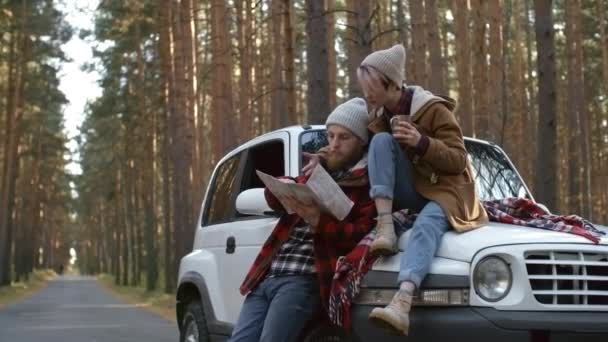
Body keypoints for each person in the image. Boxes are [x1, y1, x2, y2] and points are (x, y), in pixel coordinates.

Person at [304, 44, 488, 336]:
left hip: (447, 191)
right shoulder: (379, 115)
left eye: (370, 86)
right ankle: (385, 226)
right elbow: (364, 158)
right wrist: (324, 158)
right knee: (379, 142)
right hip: (413, 190)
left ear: (390, 82)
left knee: (426, 224)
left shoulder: (434, 110)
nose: (366, 93)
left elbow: (457, 160)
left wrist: (421, 142)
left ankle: (402, 300)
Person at [230, 98, 376, 342]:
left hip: (303, 278)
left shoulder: (369, 185)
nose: (334, 144)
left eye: (344, 137)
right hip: (268, 274)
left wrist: (320, 221)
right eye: (330, 136)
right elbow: (278, 201)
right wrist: (281, 186)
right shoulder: (317, 169)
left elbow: (358, 234)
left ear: (361, 142)